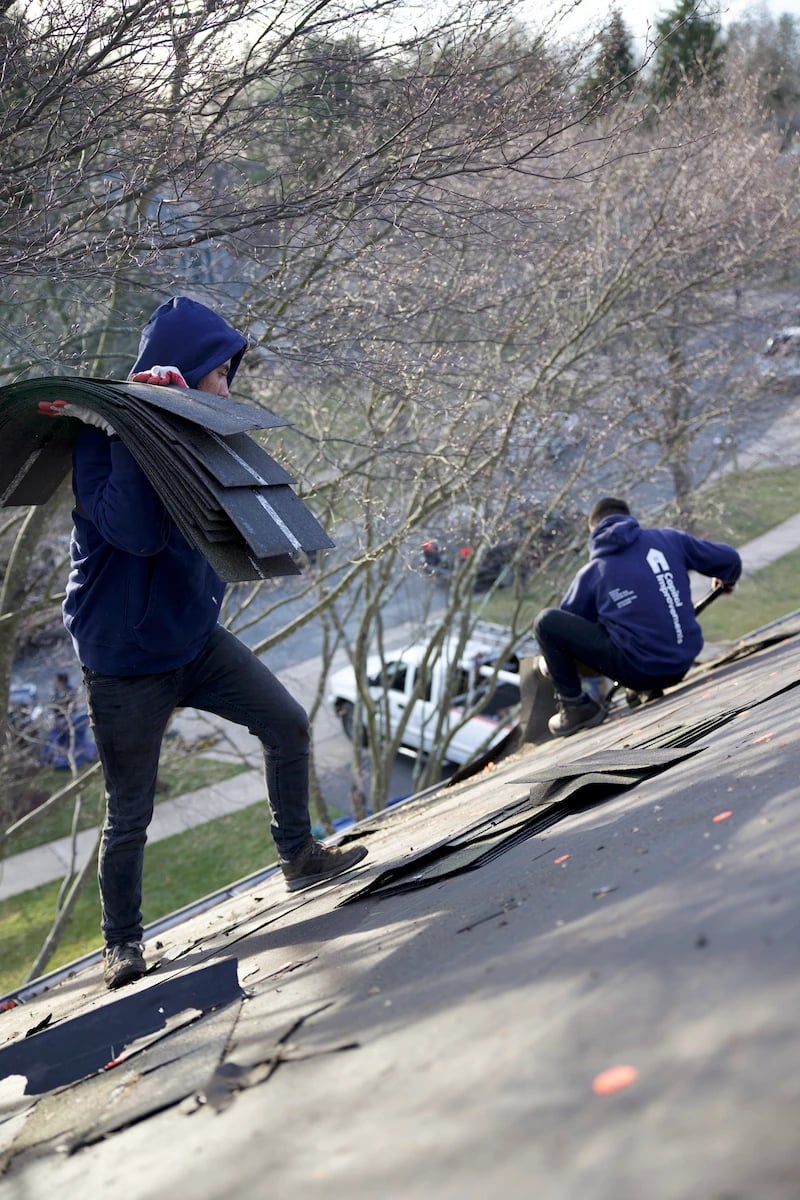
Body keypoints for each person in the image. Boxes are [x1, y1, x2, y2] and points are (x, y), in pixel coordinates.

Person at [40, 296, 367, 990]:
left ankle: (298, 856)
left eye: (227, 375)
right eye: (219, 374)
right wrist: (134, 432)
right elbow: (136, 532)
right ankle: (120, 945)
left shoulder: (204, 428)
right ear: (184, 368)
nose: (228, 388)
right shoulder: (98, 443)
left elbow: (242, 512)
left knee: (286, 724)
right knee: (129, 813)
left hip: (194, 641)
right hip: (124, 665)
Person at [533, 497, 742, 738]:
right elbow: (730, 560)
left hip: (640, 669)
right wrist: (727, 579)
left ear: (594, 531)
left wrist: (548, 662)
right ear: (629, 519)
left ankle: (575, 706)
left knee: (545, 622)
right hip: (682, 661)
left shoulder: (594, 572)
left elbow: (568, 633)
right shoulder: (670, 539)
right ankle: (641, 689)